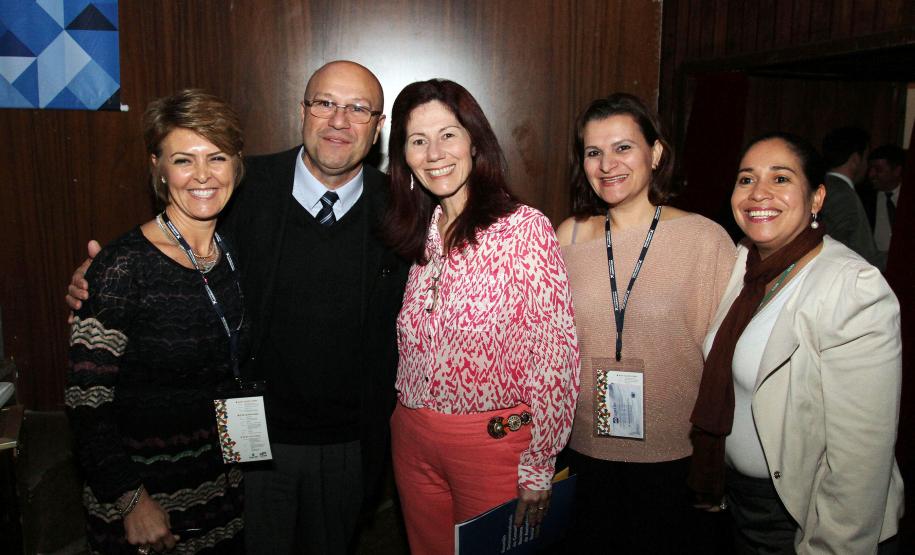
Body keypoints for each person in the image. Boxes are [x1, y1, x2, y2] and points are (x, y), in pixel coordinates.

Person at [67, 61, 410, 555]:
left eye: (358, 109)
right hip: (243, 442)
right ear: (302, 112)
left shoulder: (403, 209)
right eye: (325, 103)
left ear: (378, 127)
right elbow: (167, 252)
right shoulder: (242, 186)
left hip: (350, 444)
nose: (339, 121)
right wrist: (92, 282)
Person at [384, 79, 580, 554]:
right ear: (403, 157)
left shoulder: (522, 229)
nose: (434, 153)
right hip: (411, 438)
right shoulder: (418, 232)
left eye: (447, 134)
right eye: (417, 140)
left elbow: (554, 351)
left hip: (493, 446)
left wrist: (540, 461)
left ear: (475, 140)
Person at [690, 132, 903, 554]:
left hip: (801, 515)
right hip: (735, 501)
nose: (759, 193)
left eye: (781, 179)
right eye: (746, 179)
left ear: (817, 198)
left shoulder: (851, 287)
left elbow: (860, 464)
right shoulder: (743, 266)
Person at [66, 89, 247, 554]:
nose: (203, 175)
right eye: (184, 160)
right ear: (159, 169)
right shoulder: (123, 267)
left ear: (236, 165)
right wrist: (130, 500)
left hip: (221, 491)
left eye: (217, 157)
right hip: (145, 503)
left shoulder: (232, 255)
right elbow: (87, 402)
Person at [554, 93, 736, 553]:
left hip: (674, 458)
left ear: (655, 153)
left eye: (623, 148)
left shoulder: (703, 239)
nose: (607, 164)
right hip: (583, 448)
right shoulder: (567, 236)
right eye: (593, 152)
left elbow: (728, 360)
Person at [819, 126, 879, 265]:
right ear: (856, 159)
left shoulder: (827, 187)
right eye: (866, 158)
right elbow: (842, 250)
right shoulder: (841, 194)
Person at [863, 144, 905, 268]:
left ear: (897, 171)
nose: (871, 174)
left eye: (878, 169)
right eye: (870, 169)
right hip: (874, 265)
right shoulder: (865, 198)